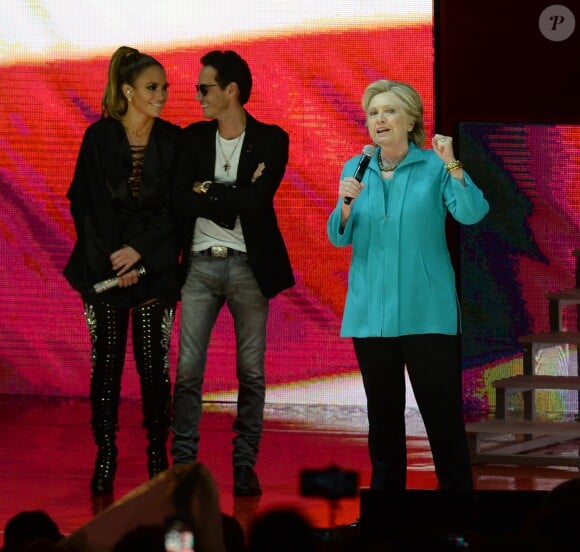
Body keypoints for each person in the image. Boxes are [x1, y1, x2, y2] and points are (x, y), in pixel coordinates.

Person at [327, 79, 489, 491]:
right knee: (382, 420)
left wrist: (453, 163)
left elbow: (471, 214)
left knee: (440, 415)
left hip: (426, 311)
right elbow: (339, 236)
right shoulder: (355, 167)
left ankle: (458, 507)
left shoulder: (435, 166)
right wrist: (345, 204)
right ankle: (387, 510)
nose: (379, 119)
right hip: (370, 313)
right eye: (372, 113)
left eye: (389, 111)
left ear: (410, 118)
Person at [170, 50, 294, 496]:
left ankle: (245, 465)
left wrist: (207, 189)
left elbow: (259, 202)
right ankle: (183, 466)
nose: (198, 96)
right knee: (187, 371)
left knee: (252, 372)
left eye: (204, 88)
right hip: (200, 265)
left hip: (248, 267)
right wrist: (235, 193)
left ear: (231, 91)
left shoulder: (271, 139)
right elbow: (179, 201)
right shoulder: (191, 139)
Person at [63, 46, 182, 495]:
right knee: (106, 366)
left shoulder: (173, 140)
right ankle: (106, 453)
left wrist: (142, 256)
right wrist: (116, 257)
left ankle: (158, 455)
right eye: (153, 88)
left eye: (165, 88)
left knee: (155, 368)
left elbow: (176, 211)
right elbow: (86, 205)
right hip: (104, 269)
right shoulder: (99, 138)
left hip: (154, 270)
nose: (162, 95)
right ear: (128, 90)